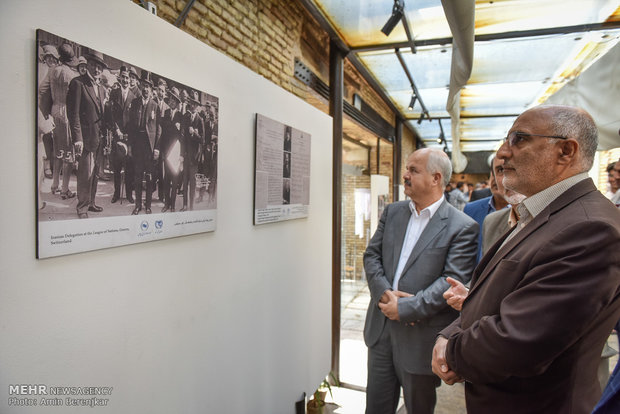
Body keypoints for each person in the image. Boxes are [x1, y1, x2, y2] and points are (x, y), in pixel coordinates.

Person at [431, 105, 620, 414]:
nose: (502, 153)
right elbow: (489, 297)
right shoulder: (543, 213)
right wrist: (450, 333)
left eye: (518, 139)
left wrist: (450, 351)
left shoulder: (590, 228)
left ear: (565, 151)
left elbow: (521, 340)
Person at [363, 148, 479, 414]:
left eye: (413, 170)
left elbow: (450, 281)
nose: (405, 175)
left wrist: (405, 308)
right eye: (407, 169)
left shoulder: (462, 227)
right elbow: (372, 256)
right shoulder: (393, 212)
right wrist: (384, 295)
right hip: (380, 332)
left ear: (436, 178)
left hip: (419, 338)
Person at [66, 49, 108, 219]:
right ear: (87, 65)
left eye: (99, 67)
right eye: (93, 65)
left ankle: (91, 202)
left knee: (95, 172)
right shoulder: (78, 83)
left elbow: (102, 114)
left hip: (99, 138)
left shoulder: (102, 88)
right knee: (85, 173)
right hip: (85, 137)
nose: (96, 70)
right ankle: (82, 208)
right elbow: (73, 114)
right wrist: (77, 138)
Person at [38, 43, 79, 200]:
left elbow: (42, 90)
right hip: (67, 113)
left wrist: (47, 108)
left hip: (55, 111)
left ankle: (55, 184)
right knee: (68, 153)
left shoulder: (52, 71)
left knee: (58, 150)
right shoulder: (72, 75)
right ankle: (64, 189)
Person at [463, 156, 509, 261]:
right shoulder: (471, 209)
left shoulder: (523, 212)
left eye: (502, 170)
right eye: (493, 172)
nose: (496, 178)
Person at [129, 71, 160, 215]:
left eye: (148, 86)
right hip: (137, 145)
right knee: (137, 176)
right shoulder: (135, 103)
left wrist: (157, 148)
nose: (146, 89)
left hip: (149, 146)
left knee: (149, 177)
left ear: (151, 89)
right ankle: (138, 205)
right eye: (144, 86)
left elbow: (159, 129)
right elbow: (131, 127)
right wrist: (130, 145)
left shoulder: (155, 105)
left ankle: (148, 205)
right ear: (141, 87)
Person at [105, 65, 136, 204]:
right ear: (120, 78)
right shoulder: (114, 93)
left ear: (130, 80)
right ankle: (117, 193)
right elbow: (110, 114)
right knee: (116, 167)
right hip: (117, 134)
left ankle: (129, 194)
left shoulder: (134, 97)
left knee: (129, 167)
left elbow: (135, 119)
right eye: (123, 77)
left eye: (127, 78)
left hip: (129, 138)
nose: (125, 80)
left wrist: (129, 133)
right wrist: (115, 129)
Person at [157, 86, 184, 212]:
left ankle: (173, 205)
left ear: (178, 103)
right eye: (171, 99)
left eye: (174, 100)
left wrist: (182, 154)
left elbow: (182, 138)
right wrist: (162, 151)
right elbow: (162, 134)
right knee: (166, 179)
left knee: (175, 180)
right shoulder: (166, 114)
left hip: (176, 152)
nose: (172, 102)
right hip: (167, 152)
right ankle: (166, 204)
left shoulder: (181, 116)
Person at [181, 93, 204, 211]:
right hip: (185, 156)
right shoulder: (185, 117)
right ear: (190, 104)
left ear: (198, 107)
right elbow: (182, 138)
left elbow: (202, 140)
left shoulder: (200, 120)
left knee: (193, 184)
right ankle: (184, 205)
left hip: (194, 157)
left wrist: (194, 133)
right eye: (192, 104)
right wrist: (181, 154)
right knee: (184, 182)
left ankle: (191, 207)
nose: (194, 106)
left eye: (196, 104)